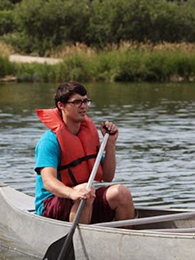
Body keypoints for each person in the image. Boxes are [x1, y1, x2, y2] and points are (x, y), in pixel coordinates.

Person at [34, 81, 135, 225]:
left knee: (122, 193)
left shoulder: (87, 135)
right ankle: (81, 238)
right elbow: (48, 181)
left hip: (85, 198)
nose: (83, 106)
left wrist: (110, 144)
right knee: (85, 191)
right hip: (51, 205)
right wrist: (73, 193)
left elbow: (108, 176)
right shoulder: (49, 141)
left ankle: (125, 237)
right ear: (61, 105)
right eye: (77, 102)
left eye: (85, 101)